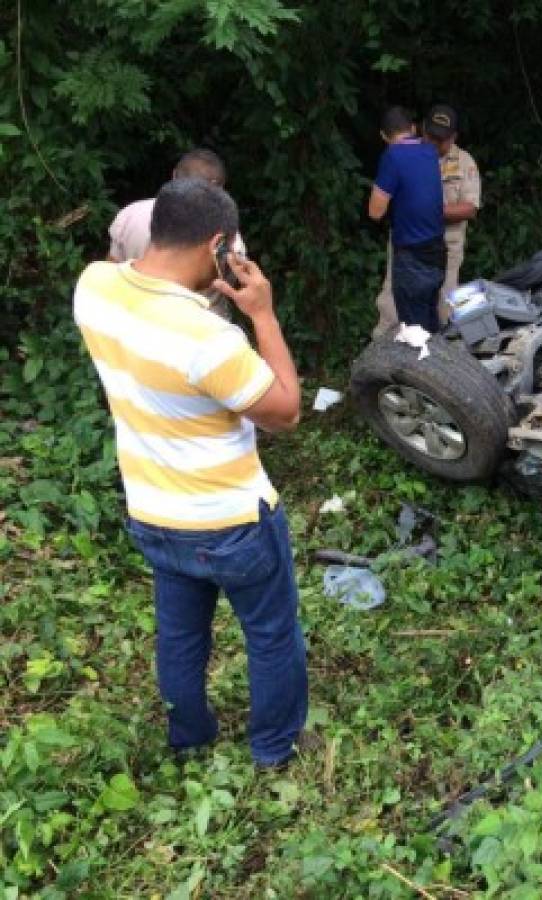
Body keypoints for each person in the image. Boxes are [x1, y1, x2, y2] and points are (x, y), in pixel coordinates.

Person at [74, 177, 310, 769]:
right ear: (218, 247)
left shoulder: (94, 288)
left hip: (153, 513)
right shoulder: (209, 339)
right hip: (233, 522)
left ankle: (191, 739)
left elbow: (124, 271)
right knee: (271, 635)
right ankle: (273, 750)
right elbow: (285, 411)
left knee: (179, 638)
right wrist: (264, 313)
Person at [108, 148, 247, 320]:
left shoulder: (131, 214)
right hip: (200, 327)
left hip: (132, 318)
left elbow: (111, 270)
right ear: (219, 190)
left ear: (174, 176)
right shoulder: (229, 236)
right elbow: (227, 286)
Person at [367, 106, 445, 335]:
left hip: (412, 257)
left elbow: (375, 212)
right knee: (431, 323)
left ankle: (421, 371)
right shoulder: (430, 150)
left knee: (415, 334)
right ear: (413, 128)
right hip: (438, 252)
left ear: (383, 136)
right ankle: (442, 369)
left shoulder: (393, 156)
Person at [423, 104, 482, 303]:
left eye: (441, 139)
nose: (435, 143)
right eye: (431, 136)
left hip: (447, 247)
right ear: (423, 129)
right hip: (409, 247)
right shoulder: (409, 156)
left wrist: (429, 212)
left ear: (453, 137)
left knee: (444, 308)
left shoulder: (465, 162)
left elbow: (470, 208)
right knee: (394, 309)